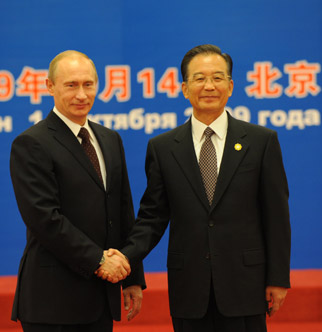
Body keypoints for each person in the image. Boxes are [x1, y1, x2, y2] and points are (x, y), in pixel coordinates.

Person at [101, 44, 291, 331]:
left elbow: (276, 216)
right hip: (189, 286)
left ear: (230, 86)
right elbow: (152, 217)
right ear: (185, 88)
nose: (209, 86)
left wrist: (277, 278)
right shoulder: (163, 148)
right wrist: (127, 256)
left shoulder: (261, 141)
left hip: (245, 284)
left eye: (217, 78)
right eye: (199, 78)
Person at [9, 50, 145, 332]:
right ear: (50, 86)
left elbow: (122, 211)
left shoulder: (109, 139)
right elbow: (44, 219)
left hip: (101, 297)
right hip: (53, 300)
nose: (81, 94)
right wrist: (98, 261)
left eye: (88, 84)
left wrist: (131, 276)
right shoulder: (32, 143)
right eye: (71, 85)